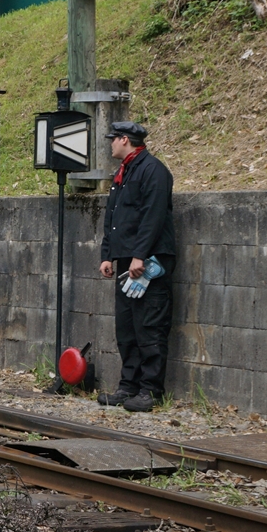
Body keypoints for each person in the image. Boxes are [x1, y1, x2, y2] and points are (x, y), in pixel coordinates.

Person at [96, 121, 176, 412]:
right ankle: (128, 386)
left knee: (150, 326)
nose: (110, 144)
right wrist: (108, 255)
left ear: (124, 140)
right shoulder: (124, 171)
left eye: (113, 139)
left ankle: (151, 390)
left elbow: (153, 216)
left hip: (149, 262)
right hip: (128, 261)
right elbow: (113, 218)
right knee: (127, 327)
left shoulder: (153, 170)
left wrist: (140, 255)